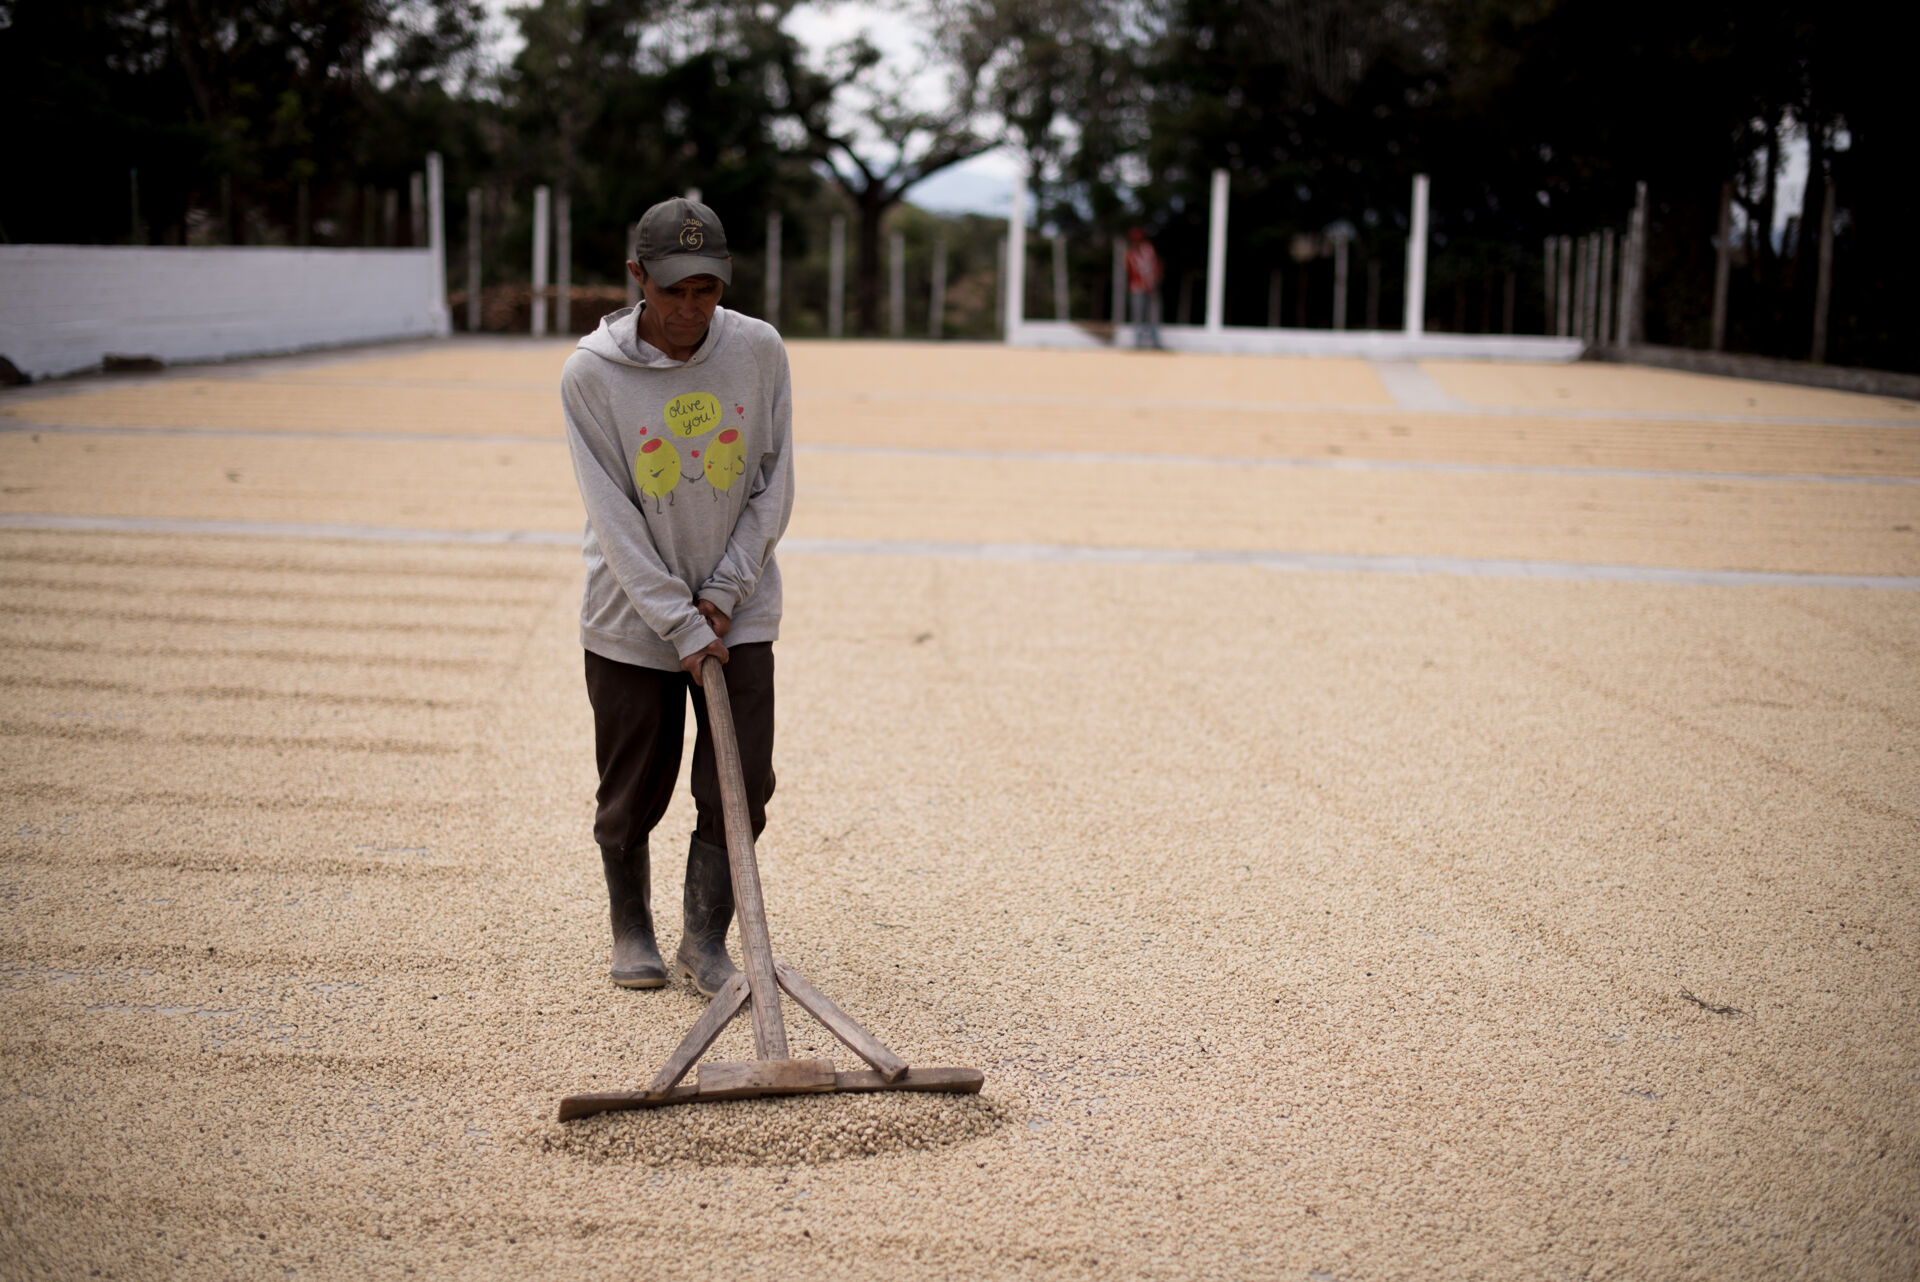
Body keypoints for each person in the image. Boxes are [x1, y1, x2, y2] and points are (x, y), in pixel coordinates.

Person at [559, 195, 794, 996]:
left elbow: (772, 480)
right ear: (637, 279)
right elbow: (613, 517)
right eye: (672, 291)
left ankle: (704, 941)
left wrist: (725, 593)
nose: (691, 309)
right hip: (632, 618)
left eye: (707, 290)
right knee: (633, 791)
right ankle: (633, 930)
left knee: (743, 783)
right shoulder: (591, 374)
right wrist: (676, 620)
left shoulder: (758, 350)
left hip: (741, 603)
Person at [1125, 227, 1165, 350]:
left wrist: (1154, 282)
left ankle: (1156, 342)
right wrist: (1144, 284)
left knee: (1154, 314)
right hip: (1137, 288)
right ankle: (1138, 342)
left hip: (1152, 287)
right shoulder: (1130, 255)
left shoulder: (1148, 250)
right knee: (1138, 315)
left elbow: (1156, 266)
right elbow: (1132, 273)